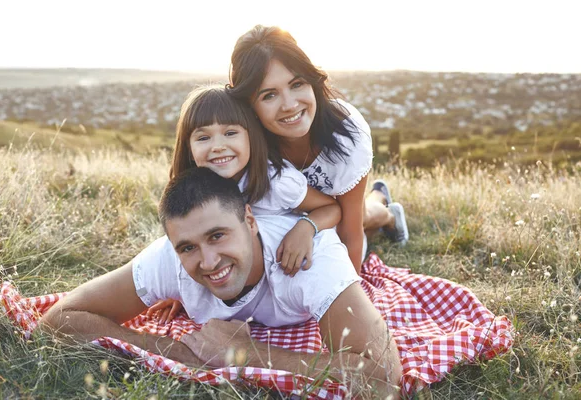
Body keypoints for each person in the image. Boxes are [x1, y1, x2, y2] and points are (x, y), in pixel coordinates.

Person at [39, 168, 403, 398]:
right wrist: (173, 350)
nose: (208, 263)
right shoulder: (169, 259)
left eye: (218, 236)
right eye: (188, 247)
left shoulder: (315, 260)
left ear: (250, 220)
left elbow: (386, 379)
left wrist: (245, 354)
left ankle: (382, 203)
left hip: (315, 230)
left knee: (360, 220)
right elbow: (58, 318)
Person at [148, 85, 343, 323]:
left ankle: (381, 206)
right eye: (203, 137)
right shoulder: (190, 194)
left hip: (307, 245)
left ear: (250, 135)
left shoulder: (277, 181)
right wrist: (182, 293)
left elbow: (331, 208)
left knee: (367, 223)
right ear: (189, 147)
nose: (218, 146)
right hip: (252, 273)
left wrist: (305, 228)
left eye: (230, 133)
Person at [227, 25, 409, 272]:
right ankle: (380, 196)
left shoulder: (346, 136)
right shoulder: (241, 139)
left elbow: (350, 232)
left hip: (335, 214)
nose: (290, 105)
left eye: (297, 84)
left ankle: (388, 214)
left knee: (355, 215)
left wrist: (351, 300)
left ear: (311, 81)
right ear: (249, 105)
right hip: (303, 214)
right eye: (269, 95)